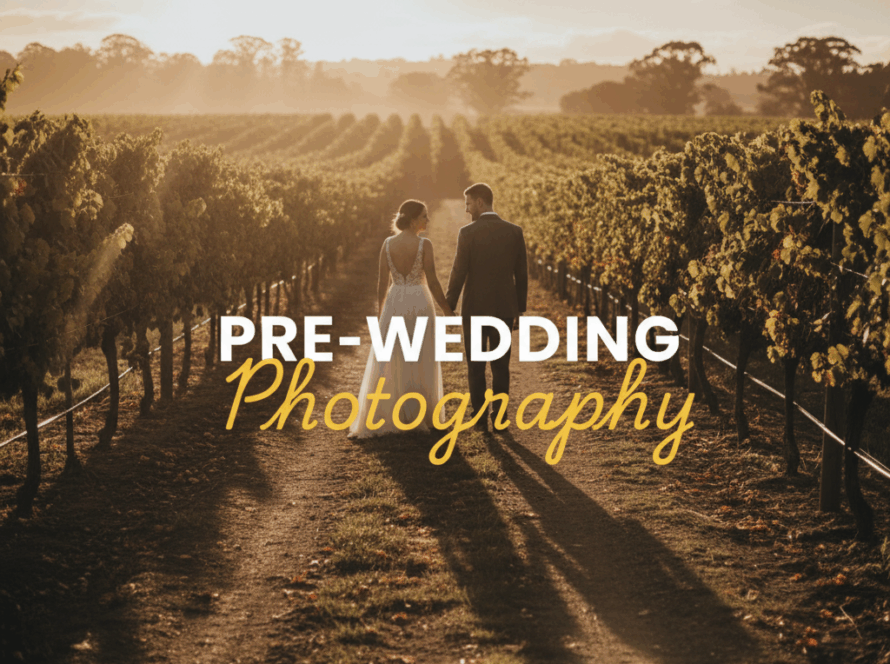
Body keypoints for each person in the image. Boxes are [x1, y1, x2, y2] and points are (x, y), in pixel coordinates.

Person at [348, 200, 455, 439]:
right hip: (419, 299)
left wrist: (380, 312)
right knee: (420, 355)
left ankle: (389, 412)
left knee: (393, 356)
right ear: (414, 219)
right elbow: (434, 282)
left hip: (395, 300)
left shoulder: (387, 244)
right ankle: (418, 413)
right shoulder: (424, 245)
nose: (428, 220)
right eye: (425, 216)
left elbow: (381, 284)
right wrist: (447, 310)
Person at [445, 183, 528, 432]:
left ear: (481, 202)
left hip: (475, 309)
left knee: (476, 365)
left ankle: (480, 417)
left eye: (468, 203)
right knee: (501, 366)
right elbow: (521, 275)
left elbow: (459, 271)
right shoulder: (514, 232)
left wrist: (449, 306)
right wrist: (519, 311)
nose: (466, 208)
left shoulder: (467, 233)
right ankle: (500, 418)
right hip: (504, 309)